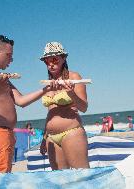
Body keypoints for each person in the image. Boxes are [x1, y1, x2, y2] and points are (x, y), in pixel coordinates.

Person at [0, 35, 52, 173]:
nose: (11, 59)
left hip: (5, 137)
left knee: (2, 181)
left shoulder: (1, 78)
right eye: (9, 55)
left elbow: (21, 101)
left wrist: (45, 90)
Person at [39, 42, 89, 170]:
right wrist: (44, 138)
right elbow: (50, 112)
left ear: (64, 58)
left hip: (71, 133)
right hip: (51, 139)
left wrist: (71, 93)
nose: (51, 64)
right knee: (60, 181)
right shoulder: (48, 83)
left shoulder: (74, 77)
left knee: (82, 177)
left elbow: (84, 107)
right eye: (47, 61)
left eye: (55, 59)